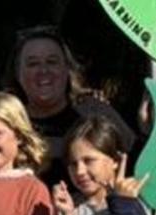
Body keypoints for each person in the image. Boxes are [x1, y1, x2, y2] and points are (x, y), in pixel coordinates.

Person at [7, 26, 137, 187]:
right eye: (33, 64)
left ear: (67, 70)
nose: (43, 70)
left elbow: (136, 161)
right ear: (18, 73)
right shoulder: (8, 124)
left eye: (52, 62)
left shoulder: (94, 112)